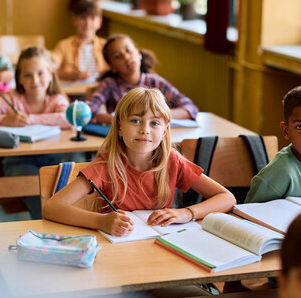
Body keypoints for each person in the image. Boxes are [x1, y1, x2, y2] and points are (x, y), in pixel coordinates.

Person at [44, 87, 234, 235]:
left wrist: (186, 213)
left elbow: (227, 198)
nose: (145, 129)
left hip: (160, 249)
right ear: (119, 126)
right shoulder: (105, 167)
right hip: (118, 252)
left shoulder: (172, 161)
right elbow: (52, 207)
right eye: (135, 121)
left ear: (165, 131)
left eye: (154, 123)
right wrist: (100, 221)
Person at [0, 46, 71, 219]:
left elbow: (68, 119)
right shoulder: (12, 100)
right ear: (19, 79)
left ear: (51, 75)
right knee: (39, 192)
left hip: (54, 162)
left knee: (68, 191)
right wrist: (3, 120)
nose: (35, 80)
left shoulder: (57, 99)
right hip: (19, 163)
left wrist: (30, 119)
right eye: (27, 75)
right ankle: (48, 234)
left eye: (40, 73)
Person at [86, 34, 199, 125]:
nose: (126, 57)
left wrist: (158, 115)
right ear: (112, 67)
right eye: (117, 56)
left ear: (138, 53)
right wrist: (114, 119)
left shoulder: (156, 82)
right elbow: (87, 111)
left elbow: (190, 108)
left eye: (128, 50)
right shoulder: (109, 84)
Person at [51, 0, 108, 82]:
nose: (87, 23)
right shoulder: (63, 45)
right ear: (74, 19)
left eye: (92, 18)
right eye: (83, 18)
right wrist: (72, 75)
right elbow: (51, 68)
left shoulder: (105, 46)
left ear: (99, 22)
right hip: (74, 91)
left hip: (100, 90)